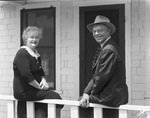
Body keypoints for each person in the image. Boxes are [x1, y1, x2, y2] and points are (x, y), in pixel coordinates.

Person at [79, 15, 128, 118]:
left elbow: (101, 77)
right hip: (107, 95)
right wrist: (86, 92)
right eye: (94, 31)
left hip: (110, 96)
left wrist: (90, 95)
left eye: (100, 30)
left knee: (82, 103)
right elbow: (96, 76)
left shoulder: (109, 50)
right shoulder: (105, 47)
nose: (96, 33)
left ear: (108, 32)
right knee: (83, 99)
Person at [13, 26, 63, 118]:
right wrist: (40, 87)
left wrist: (43, 80)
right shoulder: (22, 53)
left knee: (43, 104)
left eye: (37, 37)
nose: (34, 40)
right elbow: (26, 75)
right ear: (25, 39)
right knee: (55, 96)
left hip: (34, 90)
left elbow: (41, 71)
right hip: (24, 91)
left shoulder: (36, 55)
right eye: (31, 37)